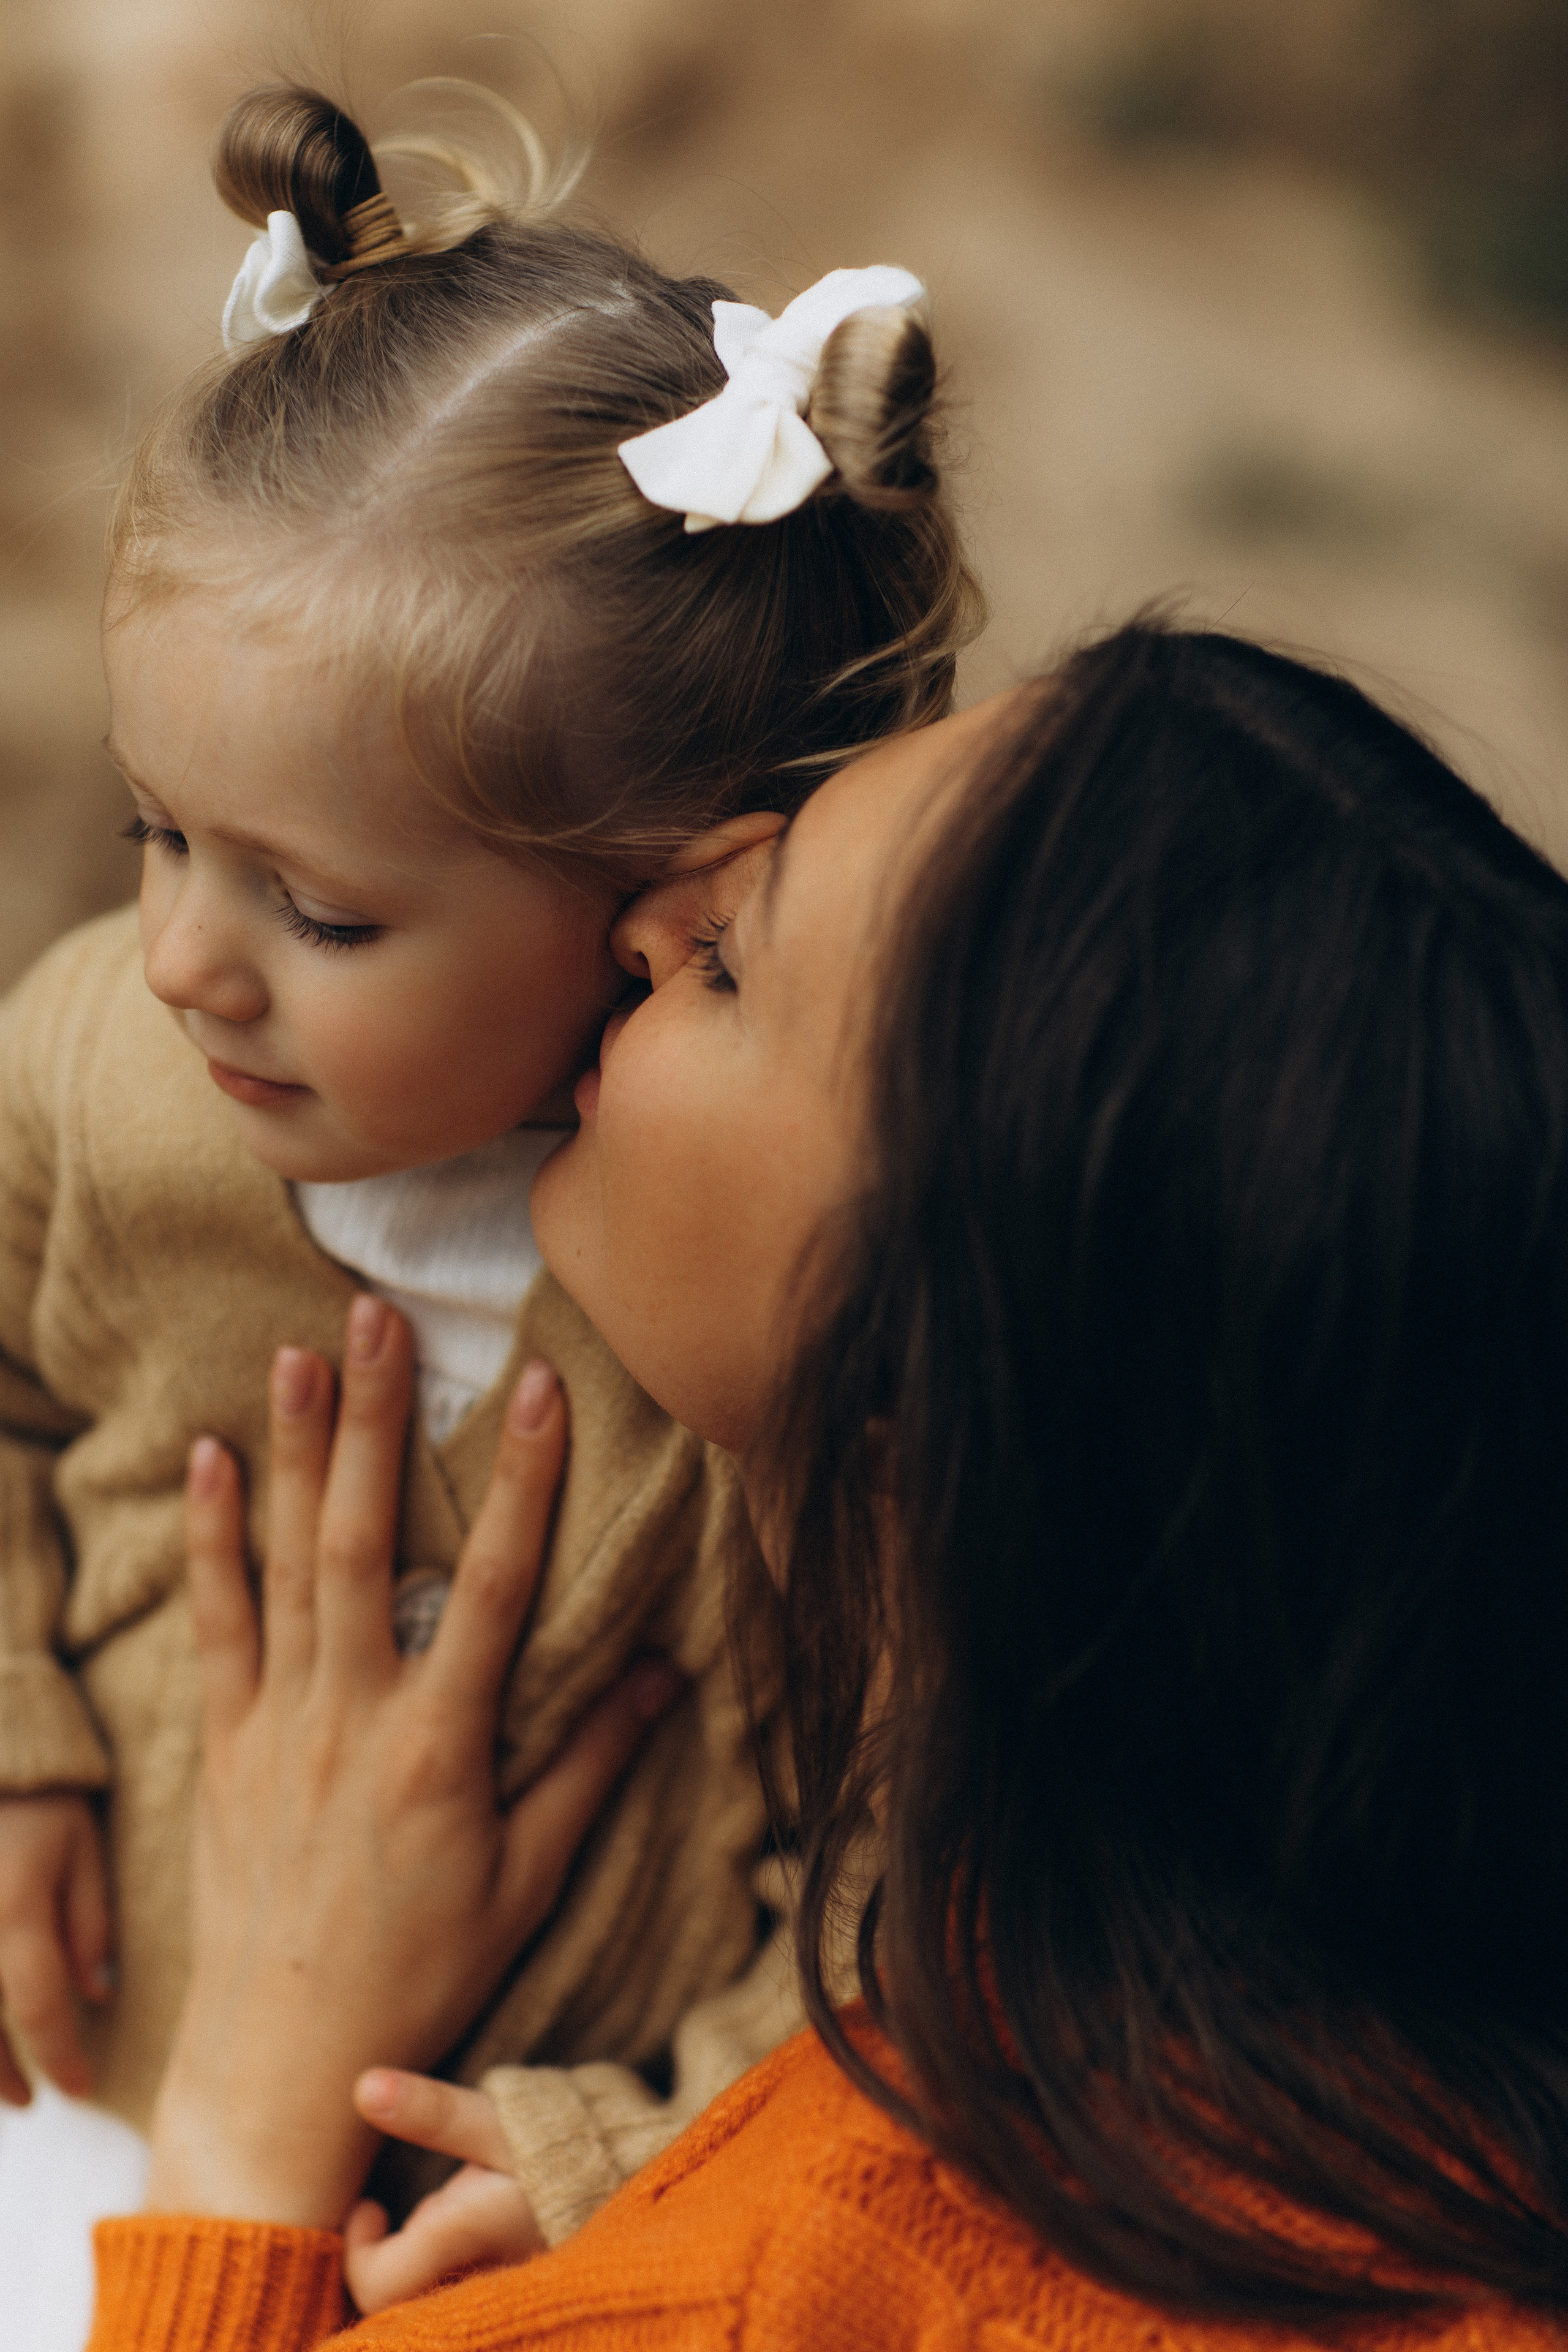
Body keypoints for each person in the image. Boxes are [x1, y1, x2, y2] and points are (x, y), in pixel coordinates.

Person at [87, 620, 1568, 2345]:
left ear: (918, 1396)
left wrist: (246, 2129)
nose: (638, 917)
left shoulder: (734, 2299)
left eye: (726, 961)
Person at [0, 67, 981, 2323]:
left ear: (664, 895)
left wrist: (622, 2151)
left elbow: (905, 1871)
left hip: (457, 2262)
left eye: (316, 912)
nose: (178, 956)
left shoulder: (767, 1308)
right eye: (159, 834)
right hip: (66, 2069)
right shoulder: (98, 1075)